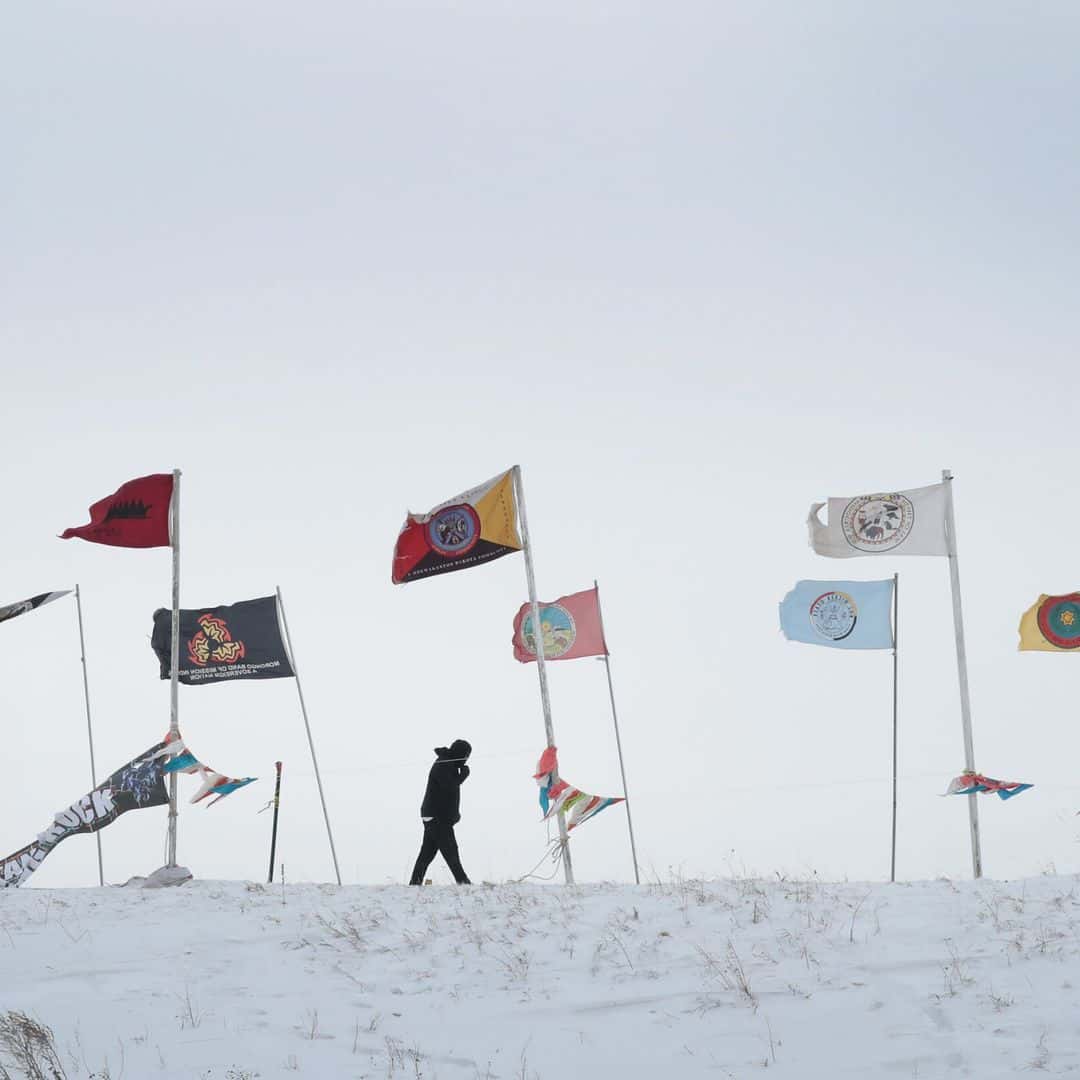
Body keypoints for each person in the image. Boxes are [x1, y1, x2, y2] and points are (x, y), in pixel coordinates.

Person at [408, 739, 472, 885]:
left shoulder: (449, 763)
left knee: (427, 853)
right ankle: (463, 882)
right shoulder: (444, 764)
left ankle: (414, 883)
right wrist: (463, 776)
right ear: (460, 753)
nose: (466, 759)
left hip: (436, 815)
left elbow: (450, 791)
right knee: (450, 850)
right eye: (466, 755)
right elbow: (449, 787)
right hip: (437, 816)